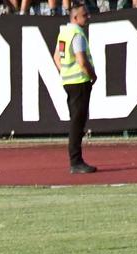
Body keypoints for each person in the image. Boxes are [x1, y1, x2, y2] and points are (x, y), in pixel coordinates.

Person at [56, 2, 98, 174]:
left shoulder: (64, 32)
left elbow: (56, 57)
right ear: (75, 17)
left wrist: (64, 72)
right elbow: (81, 60)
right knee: (77, 122)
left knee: (76, 120)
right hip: (79, 82)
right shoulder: (77, 34)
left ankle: (76, 160)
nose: (88, 17)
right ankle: (76, 161)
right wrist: (92, 74)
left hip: (69, 82)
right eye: (84, 15)